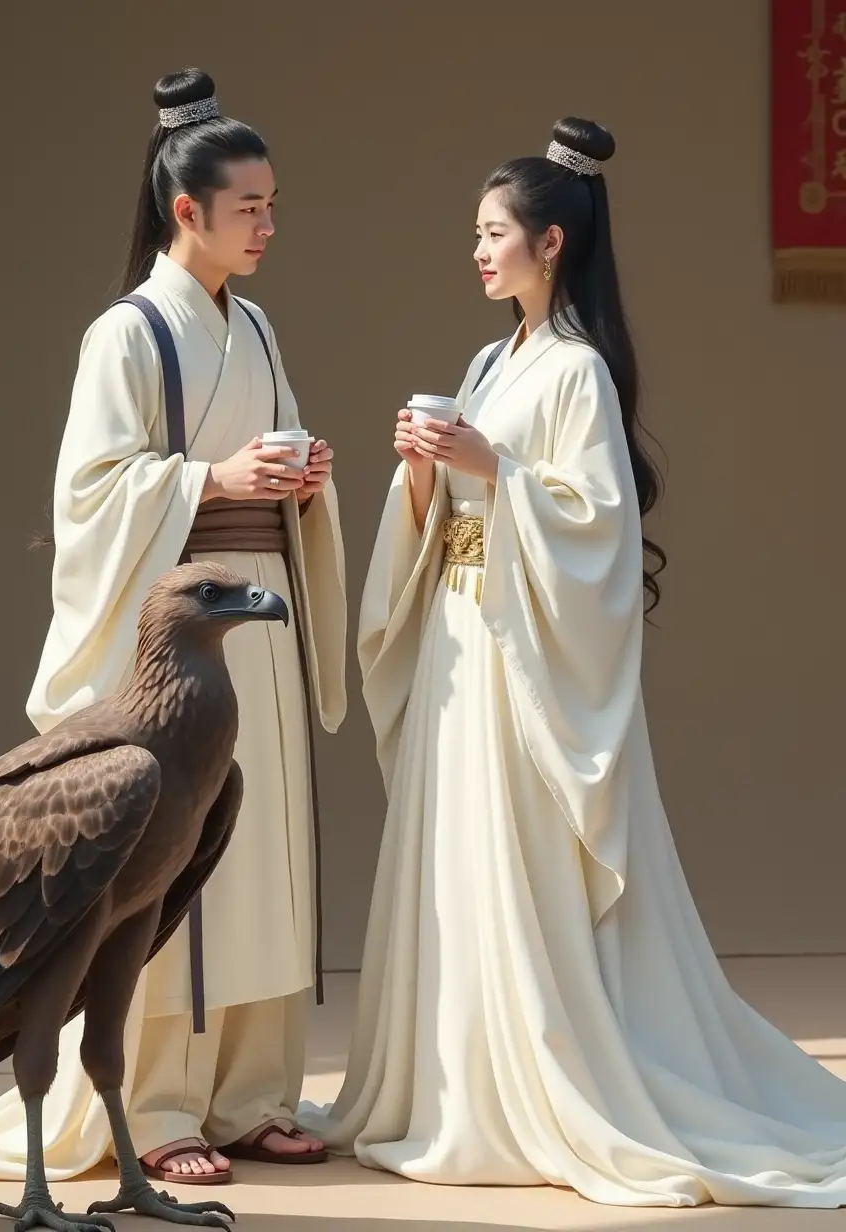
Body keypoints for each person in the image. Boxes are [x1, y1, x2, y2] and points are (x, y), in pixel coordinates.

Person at [297, 118, 846, 1206]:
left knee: (516, 857)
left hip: (522, 654)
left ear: (550, 243)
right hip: (460, 631)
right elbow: (446, 513)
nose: (477, 250)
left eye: (492, 232)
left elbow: (592, 529)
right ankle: (453, 1080)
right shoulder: (486, 360)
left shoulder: (576, 373)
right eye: (474, 232)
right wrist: (420, 475)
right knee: (456, 853)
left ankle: (538, 1082)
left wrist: (489, 463)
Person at [0, 68, 346, 1186]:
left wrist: (300, 477)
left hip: (257, 595)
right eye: (248, 204)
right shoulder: (127, 333)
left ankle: (250, 1088)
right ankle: (152, 1103)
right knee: (155, 866)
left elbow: (264, 449)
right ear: (186, 211)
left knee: (254, 851)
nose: (266, 222)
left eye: (272, 204)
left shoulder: (250, 325)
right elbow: (90, 493)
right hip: (176, 616)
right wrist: (212, 478)